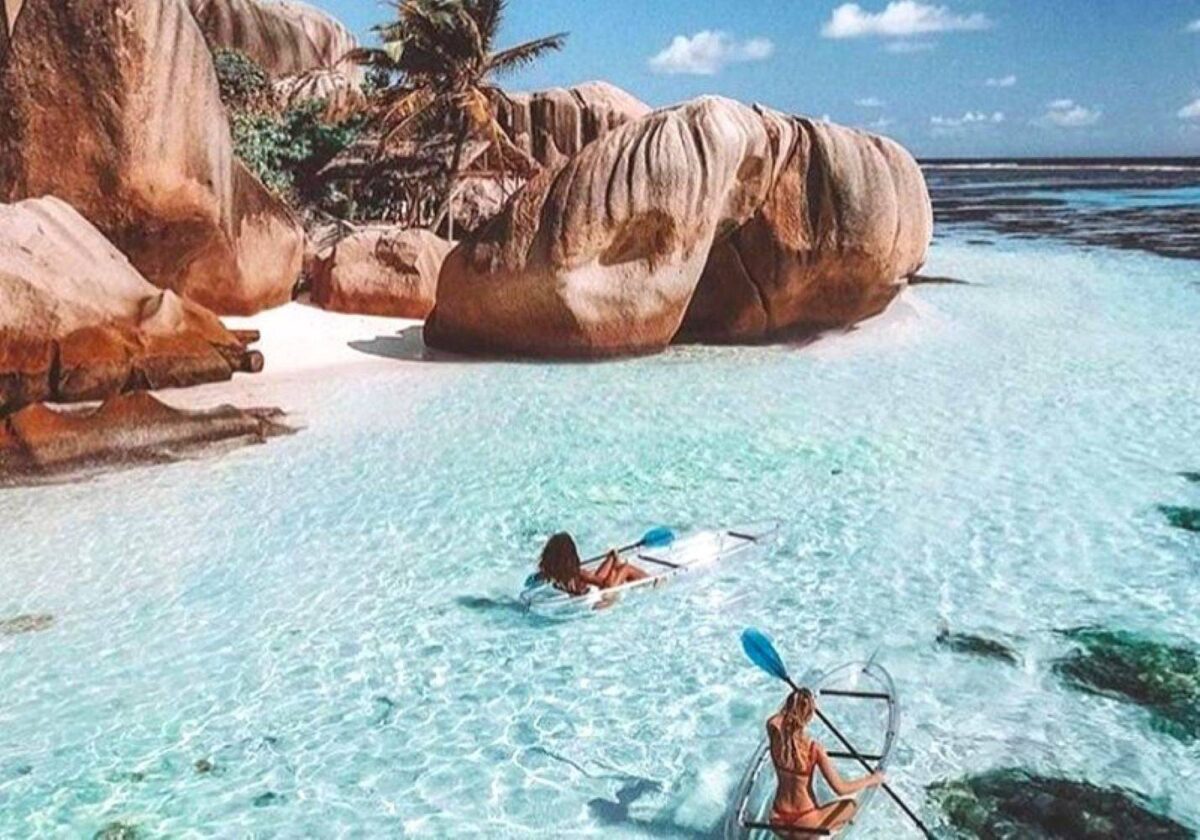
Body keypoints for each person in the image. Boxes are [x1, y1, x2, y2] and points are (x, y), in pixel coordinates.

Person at [767, 687, 885, 835]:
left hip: (778, 820)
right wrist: (872, 779)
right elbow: (841, 788)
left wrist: (795, 703)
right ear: (809, 715)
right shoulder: (813, 749)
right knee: (851, 805)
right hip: (805, 822)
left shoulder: (775, 736)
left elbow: (776, 719)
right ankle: (820, 837)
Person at [538, 532, 647, 596]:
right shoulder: (579, 573)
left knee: (608, 560)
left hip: (589, 584)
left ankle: (612, 557)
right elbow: (603, 584)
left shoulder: (551, 572)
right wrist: (614, 572)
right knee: (626, 568)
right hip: (608, 591)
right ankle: (652, 581)